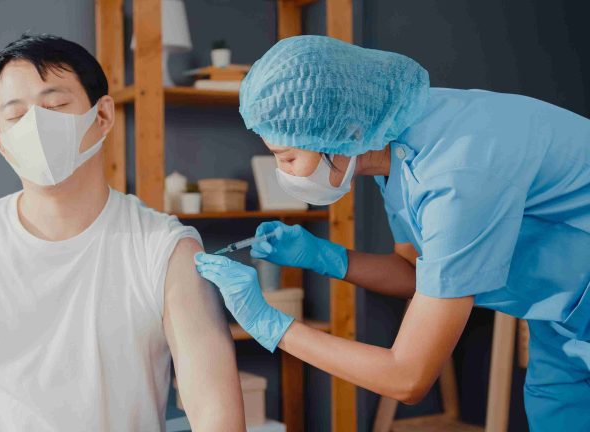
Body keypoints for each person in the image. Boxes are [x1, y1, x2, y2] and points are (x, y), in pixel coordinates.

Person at [195, 35, 590, 431]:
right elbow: (414, 274)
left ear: (343, 129)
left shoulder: (454, 173)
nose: (285, 173)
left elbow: (408, 378)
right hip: (562, 318)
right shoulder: (396, 149)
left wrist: (267, 323)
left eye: (289, 157)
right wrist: (321, 256)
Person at [0, 33, 245, 431]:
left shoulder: (167, 251)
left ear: (102, 116)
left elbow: (216, 413)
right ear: (1, 142)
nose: (36, 125)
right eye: (16, 116)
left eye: (55, 105)